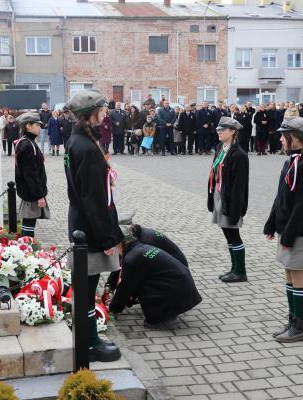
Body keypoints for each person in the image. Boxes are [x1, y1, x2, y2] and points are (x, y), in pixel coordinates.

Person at [64, 89, 122, 362]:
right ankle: (89, 342)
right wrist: (108, 238)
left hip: (82, 222)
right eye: (102, 109)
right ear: (90, 114)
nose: (105, 113)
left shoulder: (79, 140)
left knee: (87, 287)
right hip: (90, 228)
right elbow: (93, 199)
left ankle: (87, 337)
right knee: (88, 288)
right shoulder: (86, 147)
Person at [264, 117, 303, 343]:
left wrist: (288, 235)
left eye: (284, 135)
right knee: (289, 274)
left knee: (298, 275)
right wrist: (272, 223)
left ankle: (301, 327)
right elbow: (281, 196)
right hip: (288, 228)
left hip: (302, 230)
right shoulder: (291, 160)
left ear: (296, 138)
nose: (280, 139)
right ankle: (292, 320)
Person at [108, 232, 201, 329]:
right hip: (183, 284)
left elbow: (125, 287)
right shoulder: (140, 248)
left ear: (120, 244)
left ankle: (163, 317)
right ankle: (169, 312)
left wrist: (113, 309)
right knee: (141, 282)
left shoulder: (132, 259)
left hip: (177, 288)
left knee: (143, 290)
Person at [207, 117, 249, 283]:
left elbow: (239, 186)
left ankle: (240, 271)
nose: (219, 132)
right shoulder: (221, 148)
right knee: (227, 232)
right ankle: (234, 268)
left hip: (231, 199)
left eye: (222, 130)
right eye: (218, 130)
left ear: (232, 132)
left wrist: (236, 209)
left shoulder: (239, 154)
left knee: (233, 233)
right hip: (220, 195)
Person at [15, 112, 49, 238]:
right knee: (29, 222)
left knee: (30, 221)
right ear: (28, 126)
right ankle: (27, 246)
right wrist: (39, 195)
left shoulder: (28, 142)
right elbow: (30, 173)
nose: (39, 128)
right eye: (37, 125)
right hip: (31, 192)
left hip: (31, 191)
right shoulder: (27, 145)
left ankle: (27, 245)